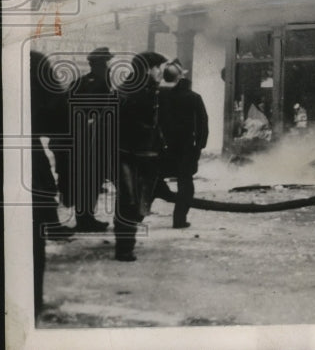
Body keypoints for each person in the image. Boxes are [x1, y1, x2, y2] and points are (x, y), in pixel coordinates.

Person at [114, 51, 168, 262]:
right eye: (159, 69)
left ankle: (125, 243)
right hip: (129, 155)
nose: (162, 73)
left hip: (142, 154)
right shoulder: (134, 91)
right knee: (129, 202)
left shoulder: (144, 89)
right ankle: (124, 248)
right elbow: (130, 124)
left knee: (136, 202)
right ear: (148, 69)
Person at [57, 46, 115, 232]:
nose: (111, 66)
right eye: (108, 62)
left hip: (78, 139)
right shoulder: (100, 82)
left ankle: (86, 217)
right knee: (91, 179)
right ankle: (86, 219)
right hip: (89, 140)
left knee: (87, 180)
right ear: (102, 64)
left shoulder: (80, 81)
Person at [30, 51, 67, 317]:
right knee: (31, 235)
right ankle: (30, 302)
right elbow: (55, 117)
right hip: (24, 160)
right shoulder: (31, 60)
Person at [159, 60, 209, 229]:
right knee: (185, 185)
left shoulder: (158, 96)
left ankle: (136, 217)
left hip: (162, 148)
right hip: (186, 148)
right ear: (181, 77)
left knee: (153, 182)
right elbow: (203, 125)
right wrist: (199, 147)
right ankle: (179, 219)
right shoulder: (193, 97)